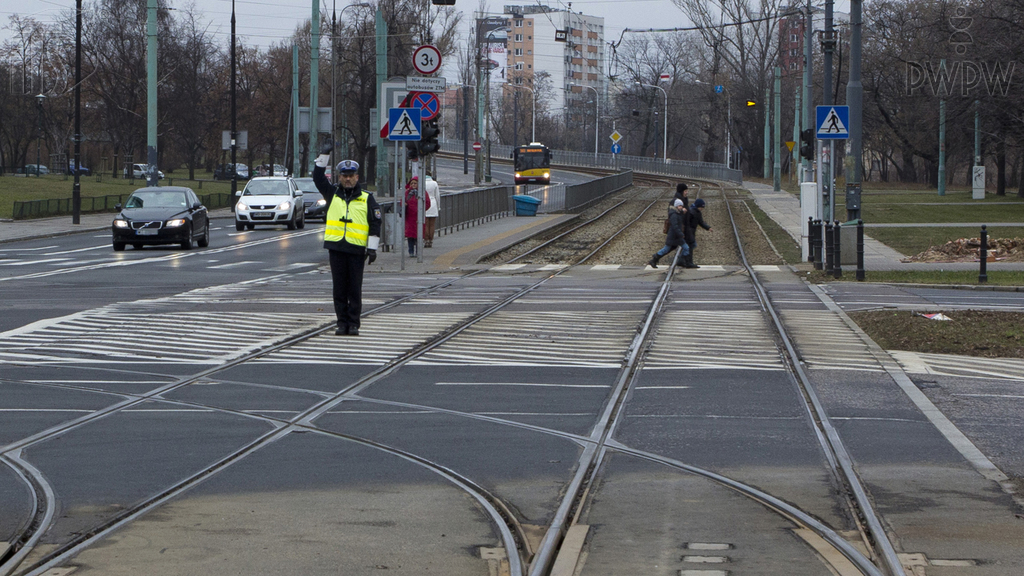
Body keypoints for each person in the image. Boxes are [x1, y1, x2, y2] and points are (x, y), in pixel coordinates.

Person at [313, 144, 381, 336]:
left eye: (351, 175)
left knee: (354, 289)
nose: (348, 179)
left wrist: (372, 248)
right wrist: (324, 154)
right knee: (339, 289)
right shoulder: (332, 194)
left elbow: (375, 223)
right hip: (336, 248)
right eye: (344, 176)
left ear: (357, 177)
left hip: (356, 249)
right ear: (339, 177)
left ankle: (353, 324)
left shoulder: (366, 198)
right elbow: (317, 178)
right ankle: (342, 323)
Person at [648, 199, 686, 269]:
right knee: (667, 249)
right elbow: (675, 225)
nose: (681, 207)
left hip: (674, 236)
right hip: (673, 236)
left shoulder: (676, 213)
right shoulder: (674, 214)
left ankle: (655, 259)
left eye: (681, 206)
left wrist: (682, 212)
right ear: (676, 206)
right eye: (680, 206)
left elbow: (679, 219)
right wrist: (680, 234)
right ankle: (655, 258)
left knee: (669, 248)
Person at [682, 198, 713, 268]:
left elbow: (701, 222)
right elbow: (686, 222)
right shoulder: (691, 212)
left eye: (702, 207)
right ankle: (687, 262)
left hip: (691, 231)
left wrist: (708, 227)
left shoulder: (697, 212)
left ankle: (684, 260)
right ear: (697, 206)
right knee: (691, 245)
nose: (702, 209)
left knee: (690, 246)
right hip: (688, 231)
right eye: (701, 207)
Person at [404, 176, 430, 256]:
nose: (413, 185)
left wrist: (421, 210)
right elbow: (403, 201)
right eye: (412, 183)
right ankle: (411, 251)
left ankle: (418, 252)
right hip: (409, 217)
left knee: (418, 235)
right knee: (410, 236)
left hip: (419, 217)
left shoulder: (422, 192)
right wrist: (404, 205)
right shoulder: (407, 192)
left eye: (415, 183)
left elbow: (427, 203)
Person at [423, 174, 439, 248]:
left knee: (426, 224)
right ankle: (431, 240)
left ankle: (426, 240)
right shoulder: (434, 183)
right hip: (433, 203)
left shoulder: (422, 183)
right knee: (432, 224)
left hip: (425, 204)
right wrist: (438, 206)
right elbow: (437, 196)